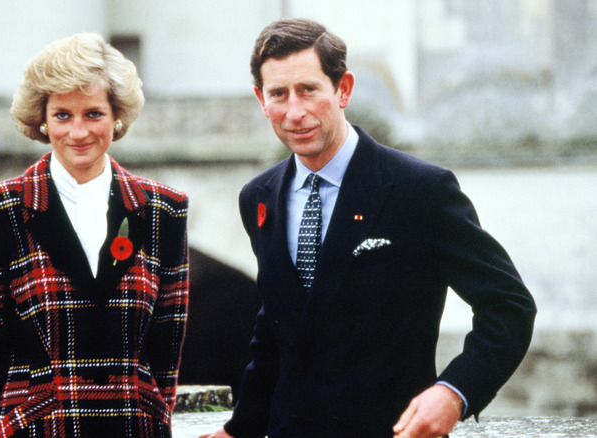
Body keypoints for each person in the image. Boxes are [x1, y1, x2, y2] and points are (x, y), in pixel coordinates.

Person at [200, 18, 536, 438]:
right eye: (278, 95)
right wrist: (240, 429)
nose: (295, 112)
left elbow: (509, 306)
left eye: (308, 90)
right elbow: (275, 330)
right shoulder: (258, 197)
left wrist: (454, 392)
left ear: (343, 89)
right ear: (260, 99)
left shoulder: (421, 189)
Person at [0, 33, 189, 438]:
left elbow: (168, 343)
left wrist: (154, 414)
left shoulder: (164, 208)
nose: (78, 132)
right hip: (39, 428)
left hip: (136, 427)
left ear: (116, 116)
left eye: (93, 114)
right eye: (63, 115)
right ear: (43, 119)